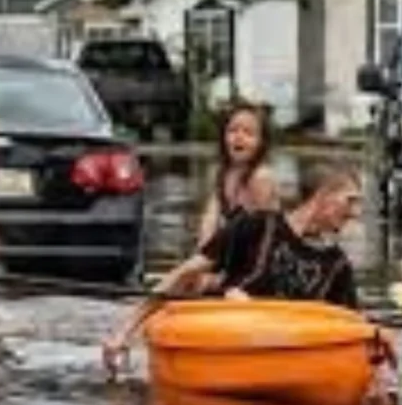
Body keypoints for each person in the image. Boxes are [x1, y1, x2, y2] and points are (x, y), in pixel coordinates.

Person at [102, 160, 368, 376]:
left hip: (291, 355)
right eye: (350, 200)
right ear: (323, 196)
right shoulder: (254, 227)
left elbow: (356, 329)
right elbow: (184, 274)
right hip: (230, 341)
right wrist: (123, 333)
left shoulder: (338, 266)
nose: (355, 213)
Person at [196, 100, 279, 248]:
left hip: (262, 252)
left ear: (261, 142)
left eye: (248, 133)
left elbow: (261, 234)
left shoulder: (260, 177)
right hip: (235, 249)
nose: (239, 137)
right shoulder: (224, 173)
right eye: (233, 130)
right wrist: (202, 248)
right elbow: (209, 219)